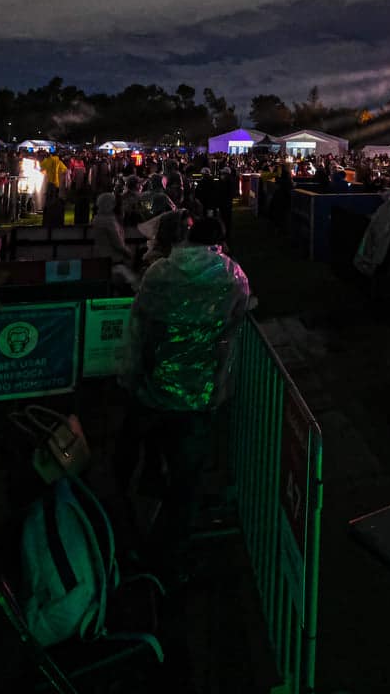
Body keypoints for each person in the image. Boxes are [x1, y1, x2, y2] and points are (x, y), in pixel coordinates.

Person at [115, 214, 253, 583]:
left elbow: (139, 325)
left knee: (148, 467)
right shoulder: (231, 276)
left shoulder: (161, 272)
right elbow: (237, 317)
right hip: (198, 394)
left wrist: (131, 375)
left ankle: (135, 543)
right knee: (186, 481)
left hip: (153, 388)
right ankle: (170, 559)